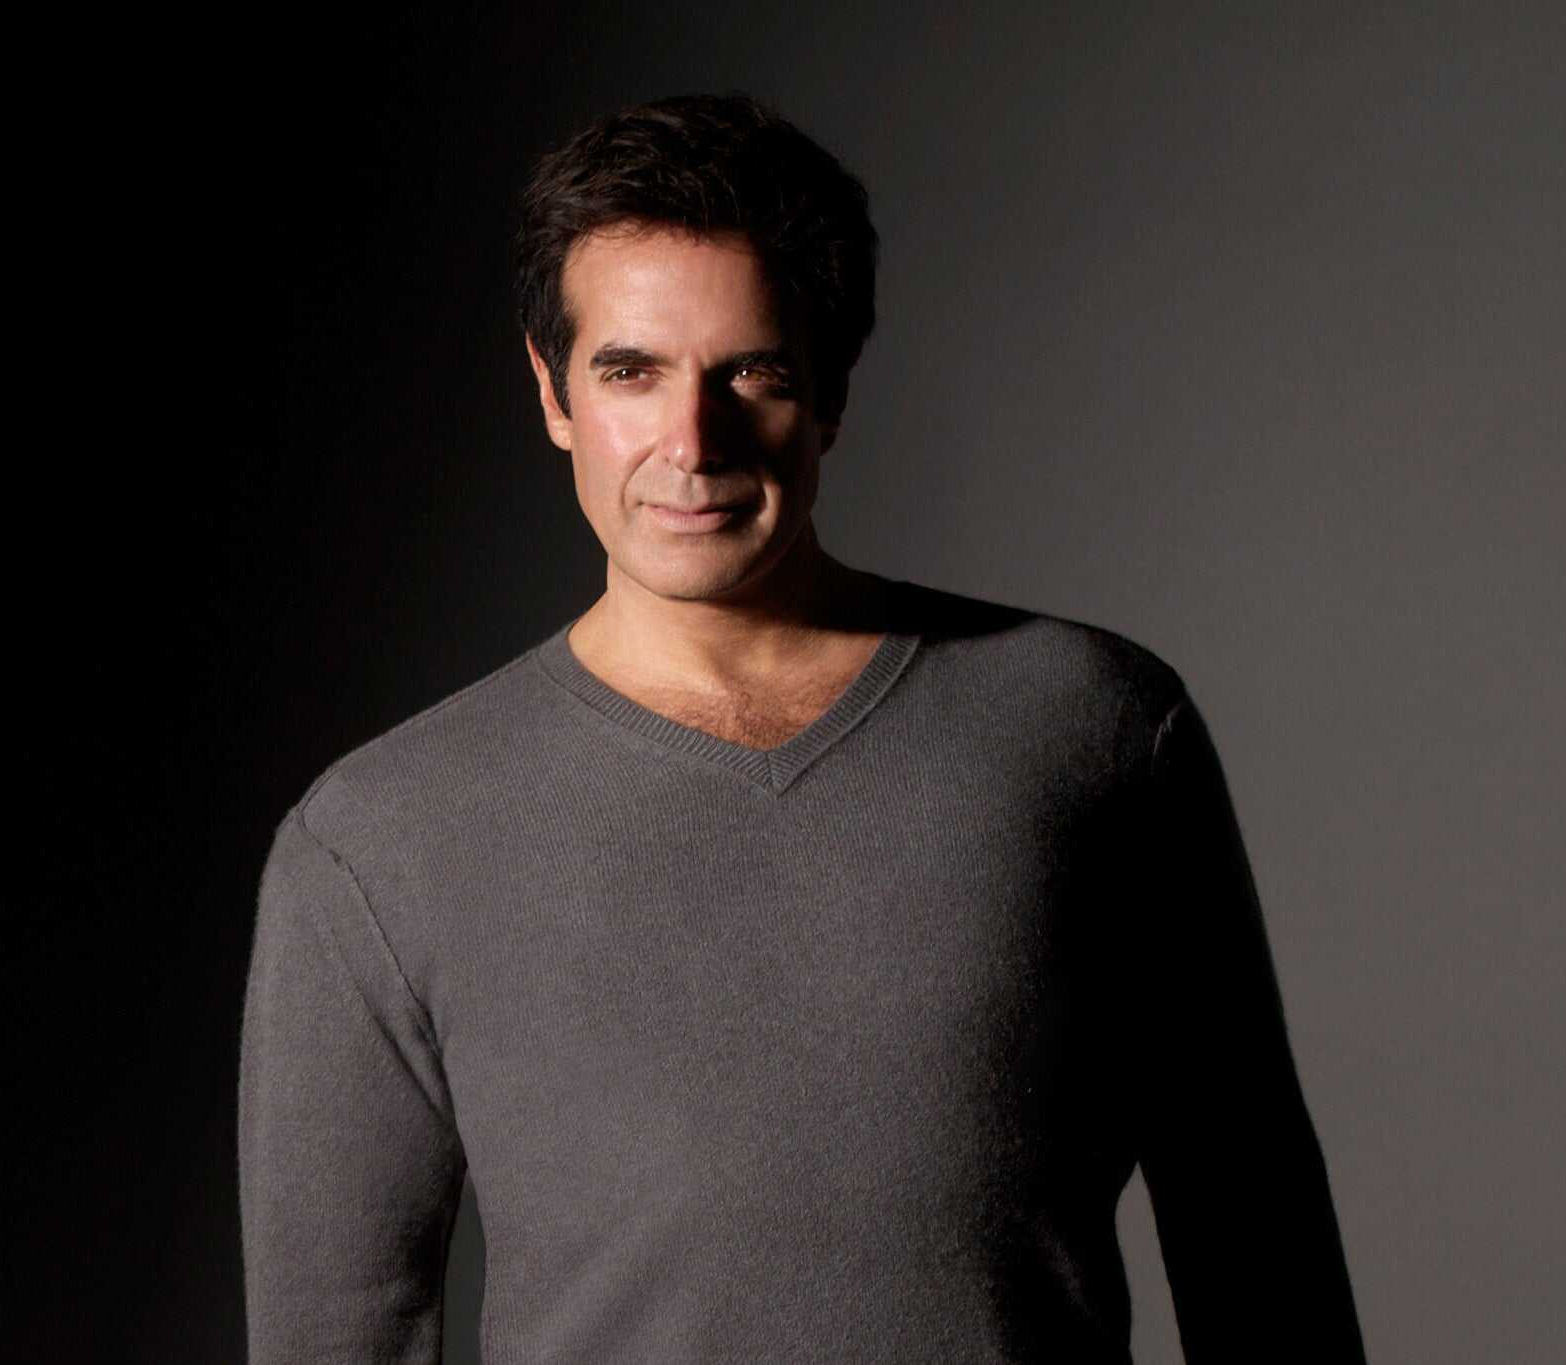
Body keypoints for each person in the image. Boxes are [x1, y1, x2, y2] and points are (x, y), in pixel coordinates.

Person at [237, 92, 1366, 1363]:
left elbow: (1259, 1250)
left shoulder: (1092, 729)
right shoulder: (377, 839)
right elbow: (329, 1335)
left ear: (828, 393)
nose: (690, 441)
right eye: (629, 372)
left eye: (752, 374)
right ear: (551, 391)